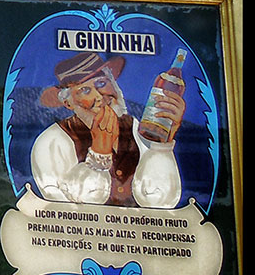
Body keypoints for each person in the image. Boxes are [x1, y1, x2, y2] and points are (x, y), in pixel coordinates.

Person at [30, 52, 182, 208]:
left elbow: (162, 200)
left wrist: (162, 144)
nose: (100, 97)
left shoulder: (133, 127)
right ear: (69, 103)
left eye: (102, 83)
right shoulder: (52, 142)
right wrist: (99, 153)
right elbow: (64, 212)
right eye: (85, 91)